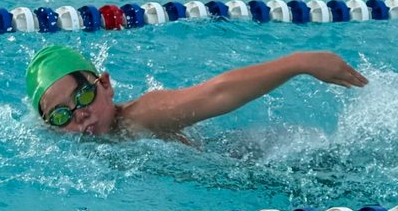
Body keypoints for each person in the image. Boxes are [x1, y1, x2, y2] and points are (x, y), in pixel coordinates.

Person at [26, 46, 368, 142]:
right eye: (61, 115)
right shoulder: (76, 141)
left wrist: (299, 63)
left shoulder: (141, 115)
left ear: (105, 85)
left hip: (256, 161)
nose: (79, 115)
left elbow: (215, 94)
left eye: (82, 98)